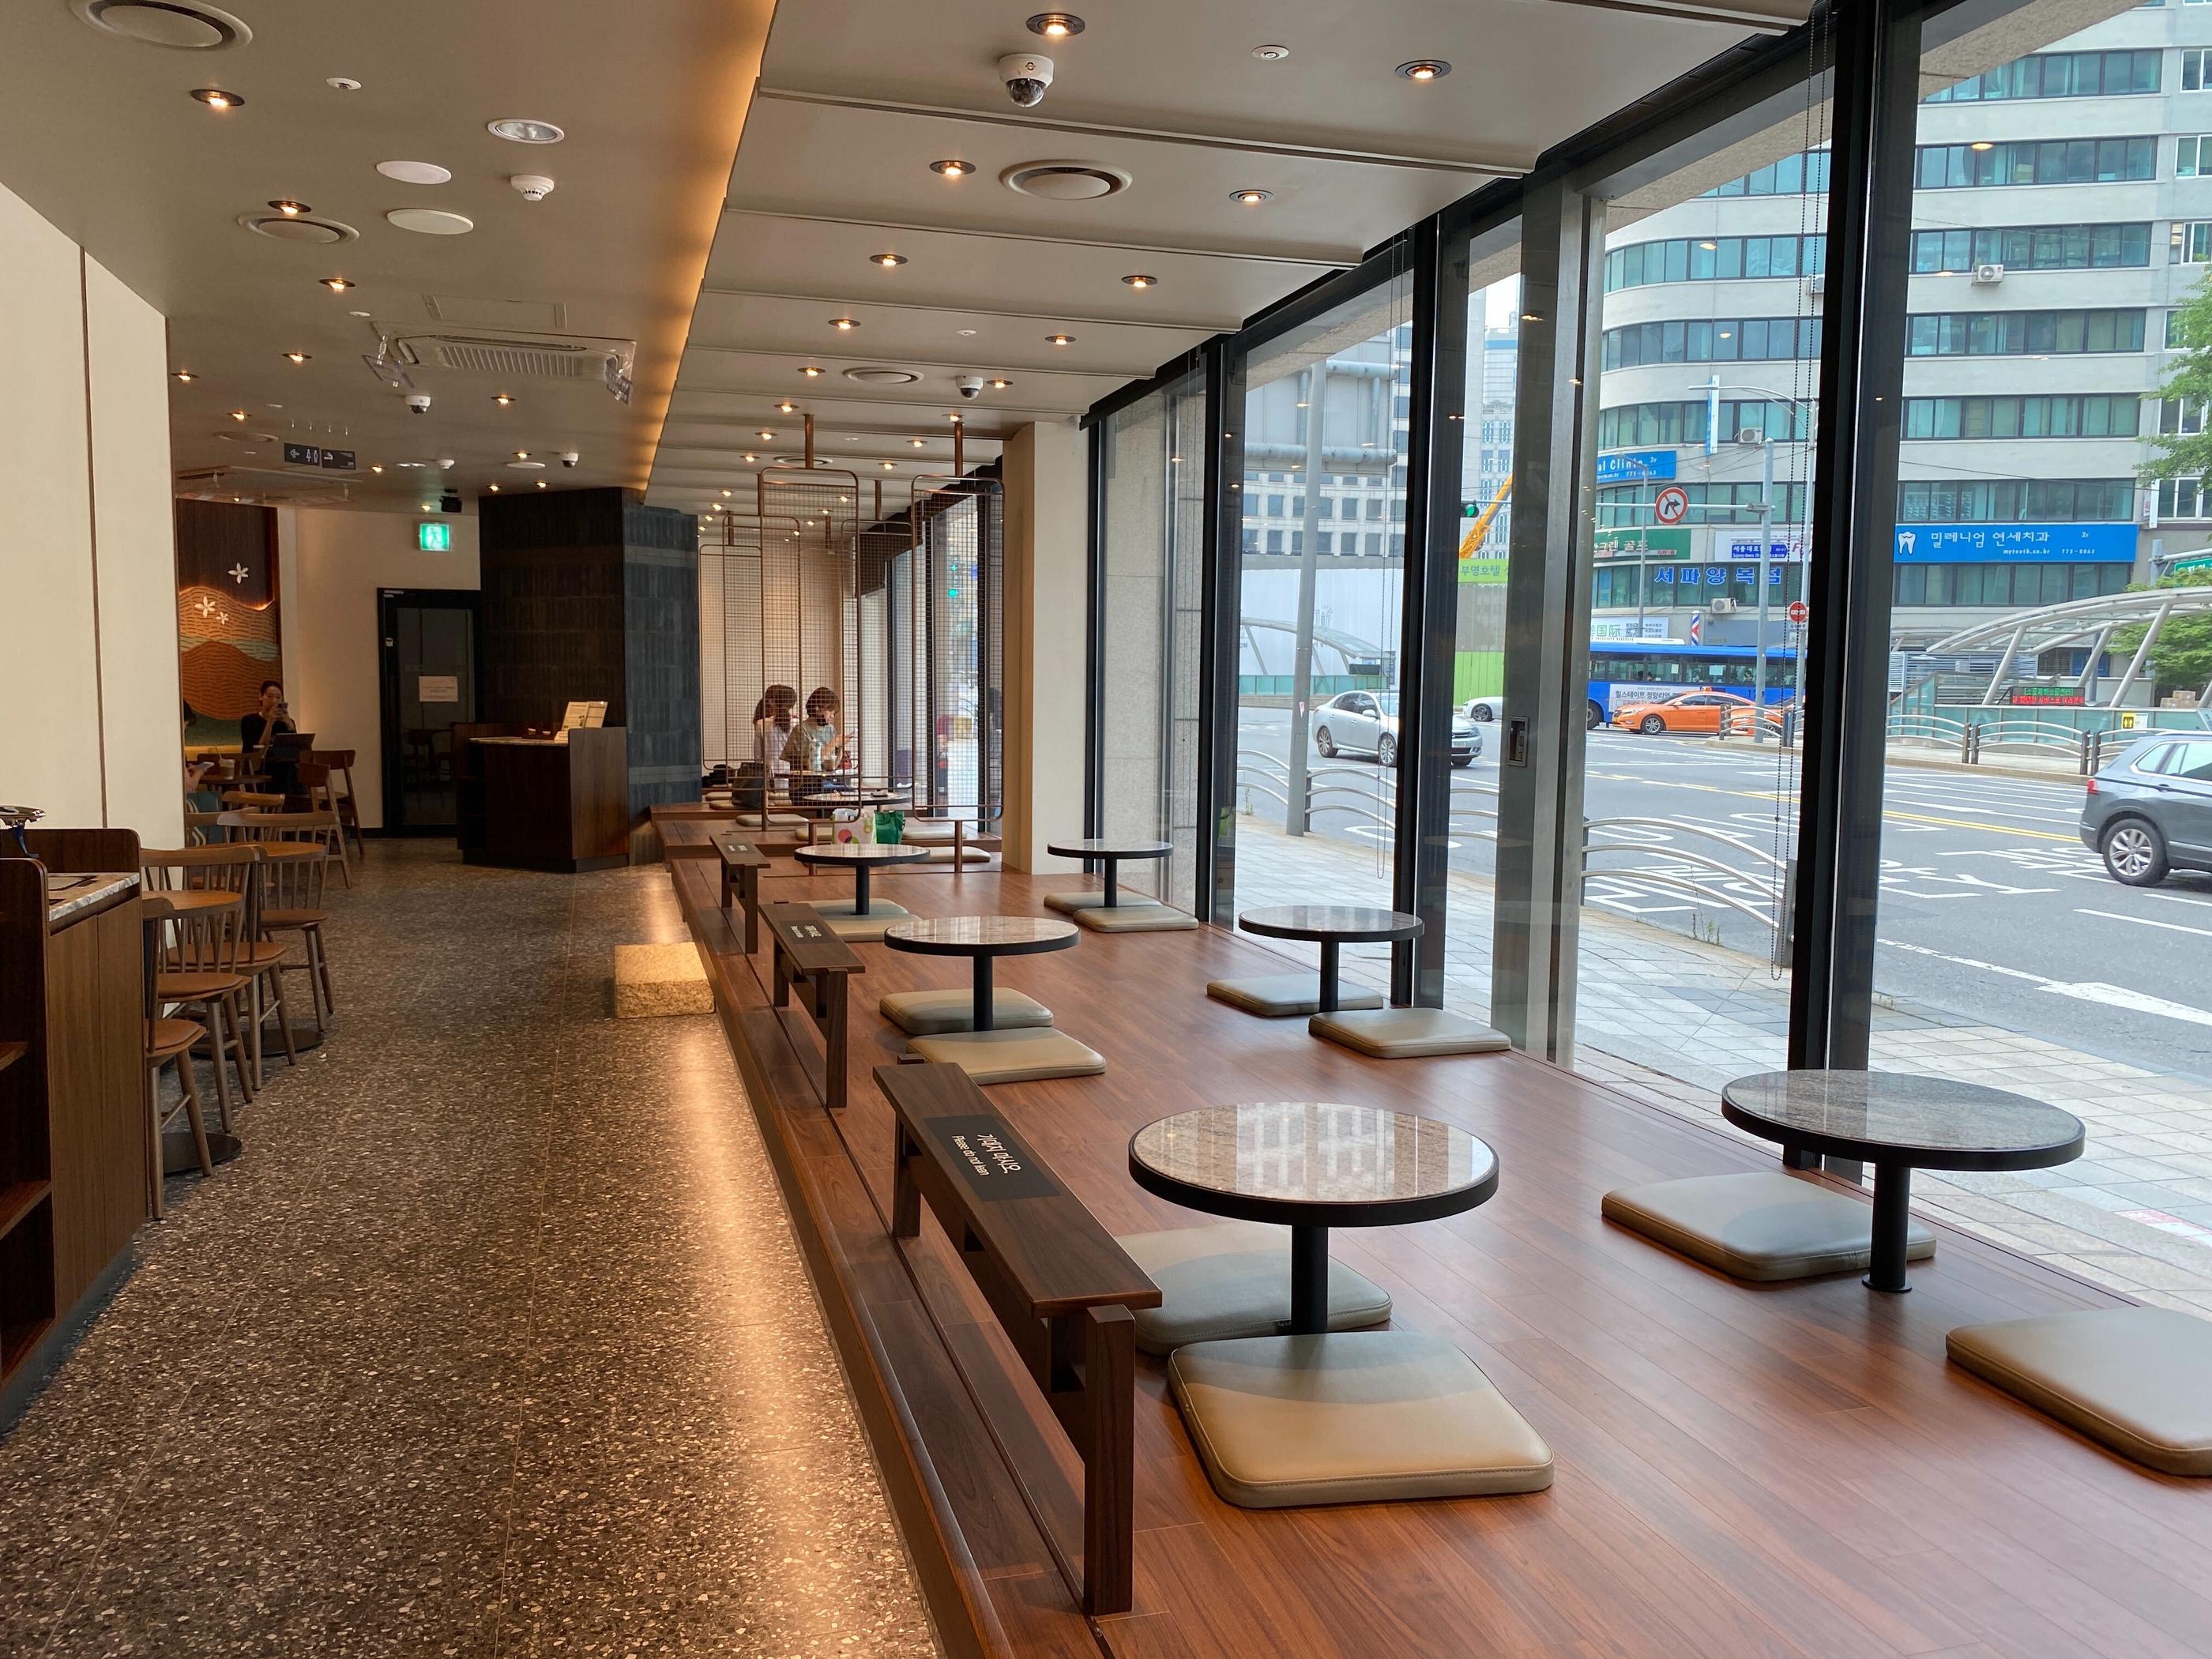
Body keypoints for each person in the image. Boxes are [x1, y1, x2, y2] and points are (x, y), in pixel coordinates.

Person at [782, 686, 850, 781]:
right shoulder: (801, 730)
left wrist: (841, 748)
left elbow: (833, 766)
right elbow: (811, 764)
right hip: (805, 782)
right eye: (830, 711)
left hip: (827, 780)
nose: (832, 717)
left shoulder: (830, 730)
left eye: (834, 713)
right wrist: (833, 744)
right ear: (817, 709)